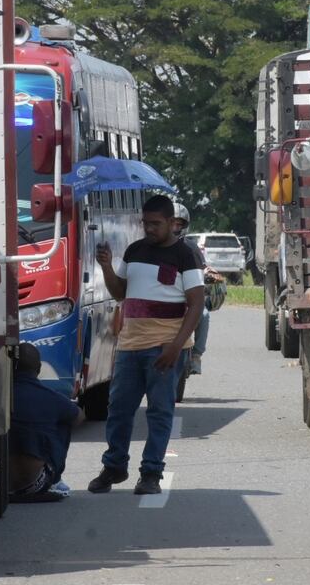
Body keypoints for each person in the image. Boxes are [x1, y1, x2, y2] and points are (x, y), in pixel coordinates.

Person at [88, 194, 205, 495]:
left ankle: (151, 474)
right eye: (145, 224)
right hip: (130, 345)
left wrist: (177, 346)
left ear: (171, 223)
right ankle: (114, 467)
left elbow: (195, 304)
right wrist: (107, 267)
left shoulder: (185, 255)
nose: (149, 229)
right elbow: (120, 293)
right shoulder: (135, 250)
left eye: (155, 224)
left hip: (165, 347)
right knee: (119, 410)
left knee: (159, 412)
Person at [9, 342, 82, 503]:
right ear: (39, 369)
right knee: (65, 420)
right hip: (34, 483)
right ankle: (55, 480)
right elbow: (79, 417)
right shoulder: (51, 397)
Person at [172, 203, 218, 376]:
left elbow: (203, 266)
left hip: (188, 296)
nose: (176, 227)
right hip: (164, 296)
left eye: (179, 224)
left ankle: (196, 355)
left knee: (203, 315)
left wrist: (209, 273)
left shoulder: (192, 248)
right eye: (172, 223)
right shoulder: (153, 247)